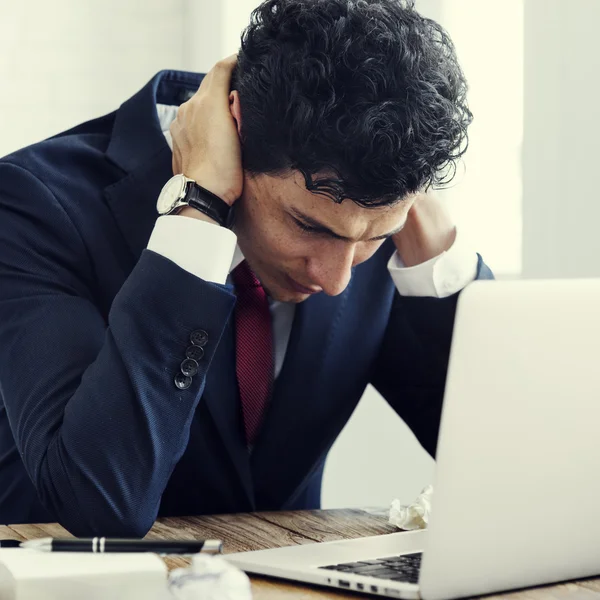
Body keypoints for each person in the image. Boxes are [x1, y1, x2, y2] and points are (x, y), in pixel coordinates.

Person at [0, 0, 493, 536]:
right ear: (236, 129)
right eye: (309, 226)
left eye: (374, 237)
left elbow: (504, 464)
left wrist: (442, 264)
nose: (336, 278)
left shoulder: (369, 211)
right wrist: (197, 211)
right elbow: (97, 503)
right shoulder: (33, 206)